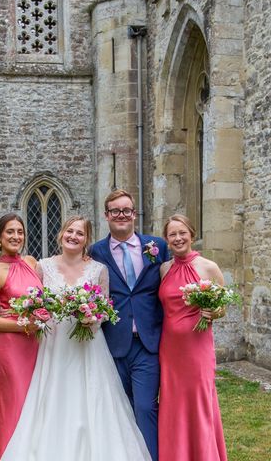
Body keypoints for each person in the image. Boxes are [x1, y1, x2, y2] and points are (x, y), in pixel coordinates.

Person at [1, 216, 151, 461]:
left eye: (79, 234)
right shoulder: (42, 266)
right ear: (60, 234)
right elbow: (35, 301)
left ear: (86, 240)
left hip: (88, 345)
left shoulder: (98, 269)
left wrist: (92, 319)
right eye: (69, 231)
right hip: (55, 344)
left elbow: (103, 310)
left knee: (94, 398)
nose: (73, 236)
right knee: (52, 397)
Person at [89, 190, 169, 461]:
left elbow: (173, 284)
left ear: (134, 214)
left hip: (147, 343)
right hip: (112, 344)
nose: (121, 215)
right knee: (117, 410)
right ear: (106, 215)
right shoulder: (95, 252)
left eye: (126, 210)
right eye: (115, 211)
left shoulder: (157, 246)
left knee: (146, 407)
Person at [158, 214, 228, 461]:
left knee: (198, 404)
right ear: (166, 240)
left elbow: (222, 307)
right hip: (170, 350)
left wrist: (213, 312)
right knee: (173, 405)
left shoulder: (209, 267)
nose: (177, 238)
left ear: (192, 235)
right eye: (172, 234)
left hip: (197, 349)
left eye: (182, 233)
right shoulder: (164, 269)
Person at [0, 214, 42, 461]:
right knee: (15, 407)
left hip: (36, 347)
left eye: (20, 231)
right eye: (10, 232)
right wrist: (23, 325)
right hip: (11, 350)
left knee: (35, 406)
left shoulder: (31, 262)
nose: (16, 236)